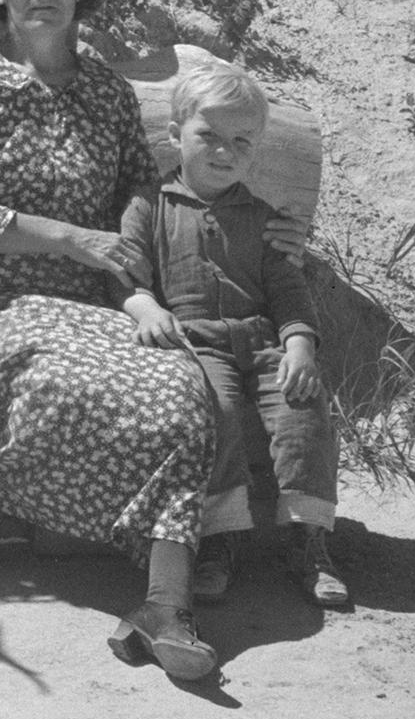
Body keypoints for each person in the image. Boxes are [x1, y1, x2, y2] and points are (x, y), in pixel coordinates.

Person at [0, 0, 234, 683]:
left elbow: (135, 183)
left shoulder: (104, 91)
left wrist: (120, 245)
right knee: (65, 388)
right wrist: (67, 237)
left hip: (95, 303)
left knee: (181, 390)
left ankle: (164, 603)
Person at [119, 62, 351, 610]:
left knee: (301, 406)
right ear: (176, 136)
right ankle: (219, 539)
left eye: (241, 142)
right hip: (194, 342)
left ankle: (308, 538)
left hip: (261, 338)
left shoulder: (261, 215)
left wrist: (299, 343)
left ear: (257, 148)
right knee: (215, 409)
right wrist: (146, 305)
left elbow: (287, 291)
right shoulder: (149, 206)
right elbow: (125, 274)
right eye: (209, 137)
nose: (224, 152)